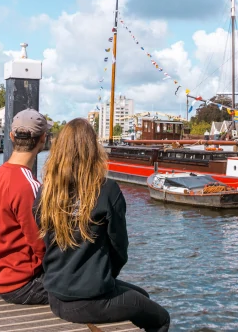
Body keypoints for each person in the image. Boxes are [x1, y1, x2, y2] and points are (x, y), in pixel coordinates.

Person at [34, 118, 170, 331]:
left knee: (142, 297)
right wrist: (103, 276)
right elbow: (119, 250)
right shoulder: (107, 190)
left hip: (55, 295)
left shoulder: (46, 192)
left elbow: (44, 239)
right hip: (88, 298)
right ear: (93, 150)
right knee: (161, 318)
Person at [0, 108, 49, 305]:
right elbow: (41, 245)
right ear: (43, 139)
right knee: (91, 286)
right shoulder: (30, 186)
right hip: (25, 284)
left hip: (2, 280)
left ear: (11, 136)